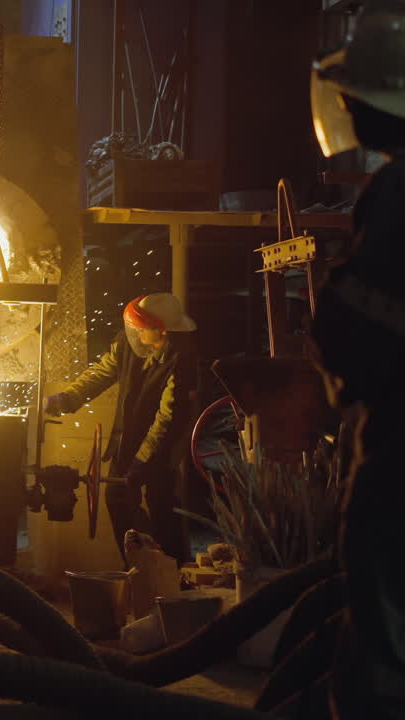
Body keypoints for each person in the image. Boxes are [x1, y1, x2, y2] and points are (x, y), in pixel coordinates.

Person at [307, 5, 405, 715]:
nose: (345, 109)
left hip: (401, 451)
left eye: (353, 98)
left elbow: (353, 324)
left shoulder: (399, 191)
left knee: (380, 635)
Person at [42, 293, 197, 567]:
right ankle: (138, 568)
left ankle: (174, 572)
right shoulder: (129, 345)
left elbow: (168, 419)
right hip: (129, 437)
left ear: (159, 330)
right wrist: (68, 399)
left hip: (165, 443)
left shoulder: (181, 362)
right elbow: (102, 372)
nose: (134, 333)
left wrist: (143, 460)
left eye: (140, 329)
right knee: (117, 497)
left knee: (161, 502)